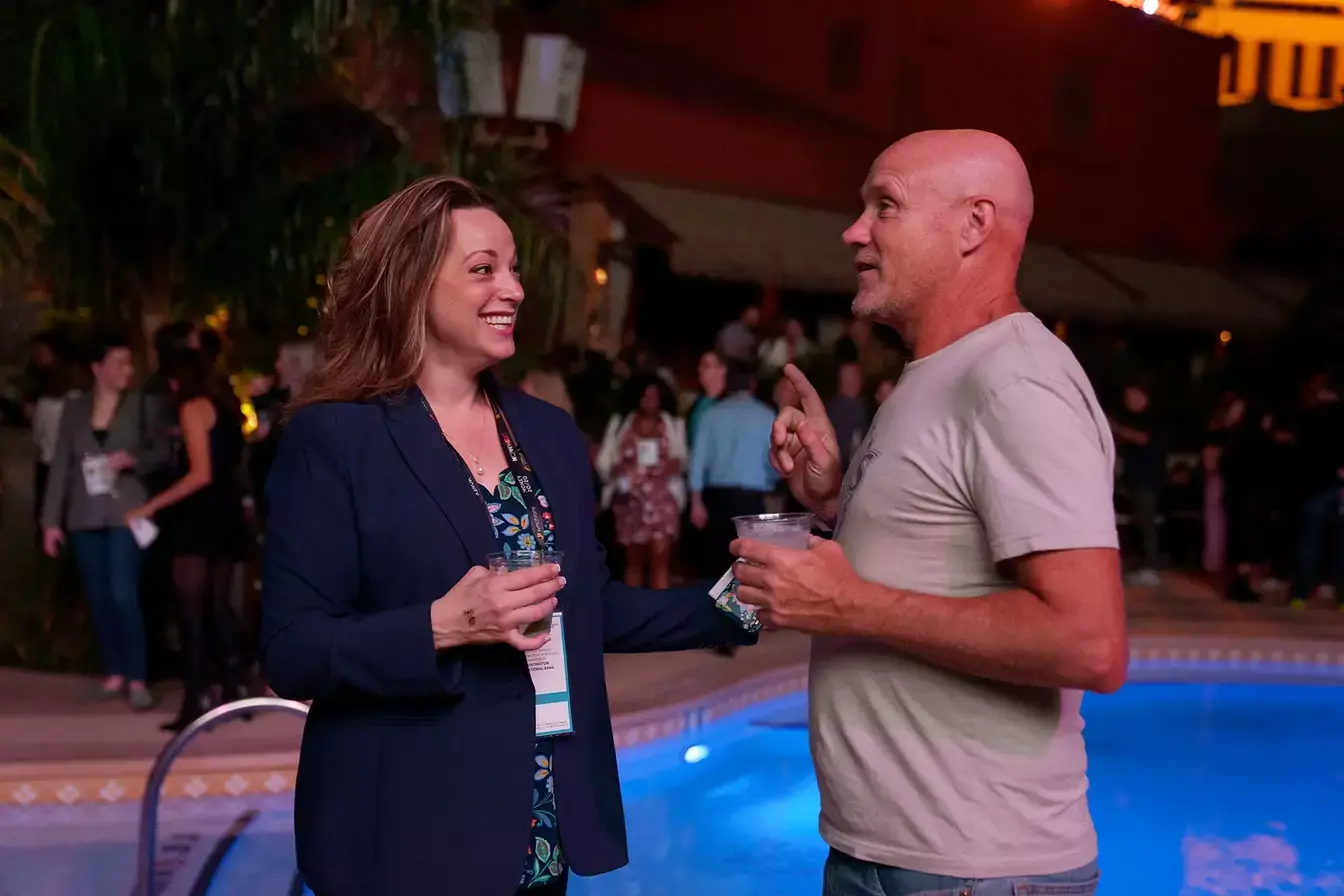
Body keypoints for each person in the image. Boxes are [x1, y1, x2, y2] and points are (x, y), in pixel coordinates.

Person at [259, 176, 754, 896]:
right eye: (484, 268)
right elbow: (294, 652)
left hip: (539, 826)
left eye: (514, 267)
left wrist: (744, 600)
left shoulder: (548, 435)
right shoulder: (336, 438)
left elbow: (586, 606)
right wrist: (444, 625)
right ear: (412, 286)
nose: (515, 288)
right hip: (406, 835)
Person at [731, 130, 1127, 896]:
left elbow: (1090, 641)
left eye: (885, 206)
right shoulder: (933, 376)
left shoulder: (1016, 382)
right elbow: (944, 556)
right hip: (892, 856)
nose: (854, 230)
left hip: (972, 870)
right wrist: (835, 497)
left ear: (973, 226)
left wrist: (851, 602)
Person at [41, 333, 169, 711]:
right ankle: (114, 671)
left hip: (126, 512)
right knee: (98, 596)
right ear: (97, 369)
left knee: (122, 592)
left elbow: (162, 451)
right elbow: (61, 464)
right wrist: (51, 521)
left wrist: (132, 460)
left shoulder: (142, 405)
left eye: (129, 363)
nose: (126, 371)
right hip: (85, 513)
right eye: (118, 363)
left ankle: (138, 675)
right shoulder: (75, 409)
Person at [126, 349, 249, 731]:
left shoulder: (193, 408)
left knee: (191, 613)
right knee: (219, 608)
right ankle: (234, 690)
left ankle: (195, 700)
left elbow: (200, 474)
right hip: (227, 514)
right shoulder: (227, 408)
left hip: (200, 518)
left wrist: (150, 506)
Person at [594, 374, 687, 590]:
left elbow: (682, 461)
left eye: (655, 396)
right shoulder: (621, 424)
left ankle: (660, 612)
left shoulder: (672, 424)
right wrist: (619, 471)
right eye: (646, 396)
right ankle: (635, 611)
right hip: (630, 500)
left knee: (660, 558)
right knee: (633, 559)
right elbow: (604, 462)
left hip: (662, 501)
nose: (650, 400)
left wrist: (669, 467)